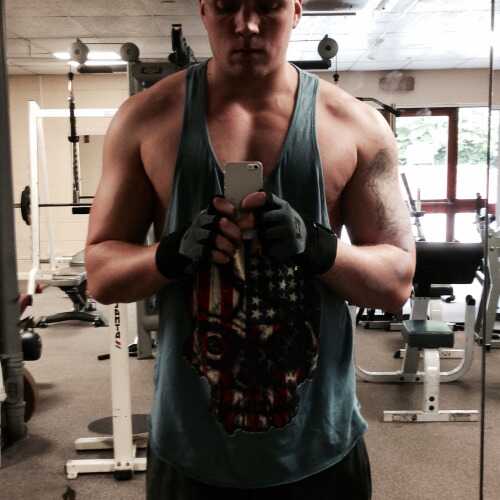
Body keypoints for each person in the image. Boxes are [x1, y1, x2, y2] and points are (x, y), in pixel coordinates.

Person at [85, 0, 415, 498]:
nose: (246, 24)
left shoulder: (356, 126)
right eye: (226, 6)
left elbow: (396, 283)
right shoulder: (147, 118)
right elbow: (101, 274)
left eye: (267, 6)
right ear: (203, 11)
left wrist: (320, 248)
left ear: (297, 10)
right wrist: (170, 255)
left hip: (320, 453)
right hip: (190, 455)